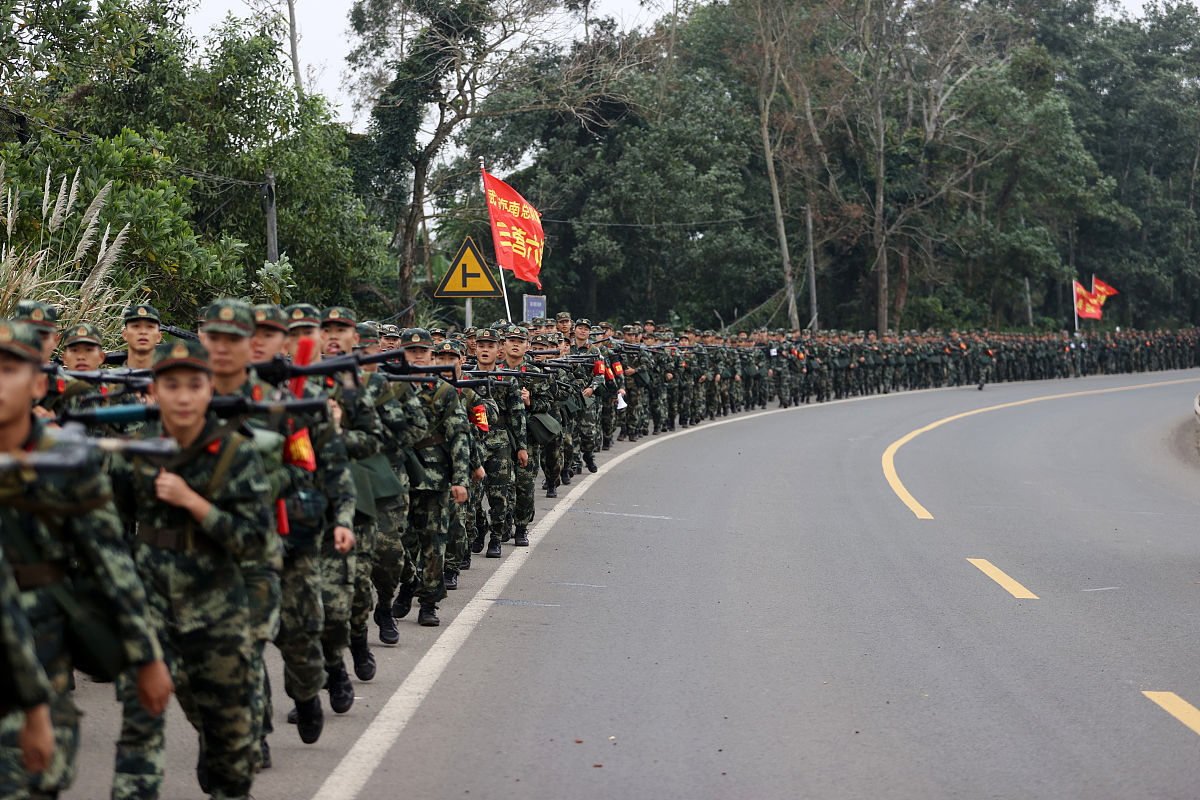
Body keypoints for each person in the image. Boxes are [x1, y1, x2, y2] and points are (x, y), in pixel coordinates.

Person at [0, 318, 172, 800]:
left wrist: (146, 656)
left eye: (9, 370)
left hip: (40, 644)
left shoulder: (67, 460)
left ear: (39, 383)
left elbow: (110, 563)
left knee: (35, 780)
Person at [109, 338, 272, 799]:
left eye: (193, 385)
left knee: (233, 756)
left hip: (218, 616)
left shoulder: (235, 454)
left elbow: (257, 540)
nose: (182, 396)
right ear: (154, 389)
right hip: (151, 616)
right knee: (138, 741)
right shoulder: (136, 453)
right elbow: (112, 533)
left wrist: (194, 503)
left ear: (209, 391)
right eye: (171, 384)